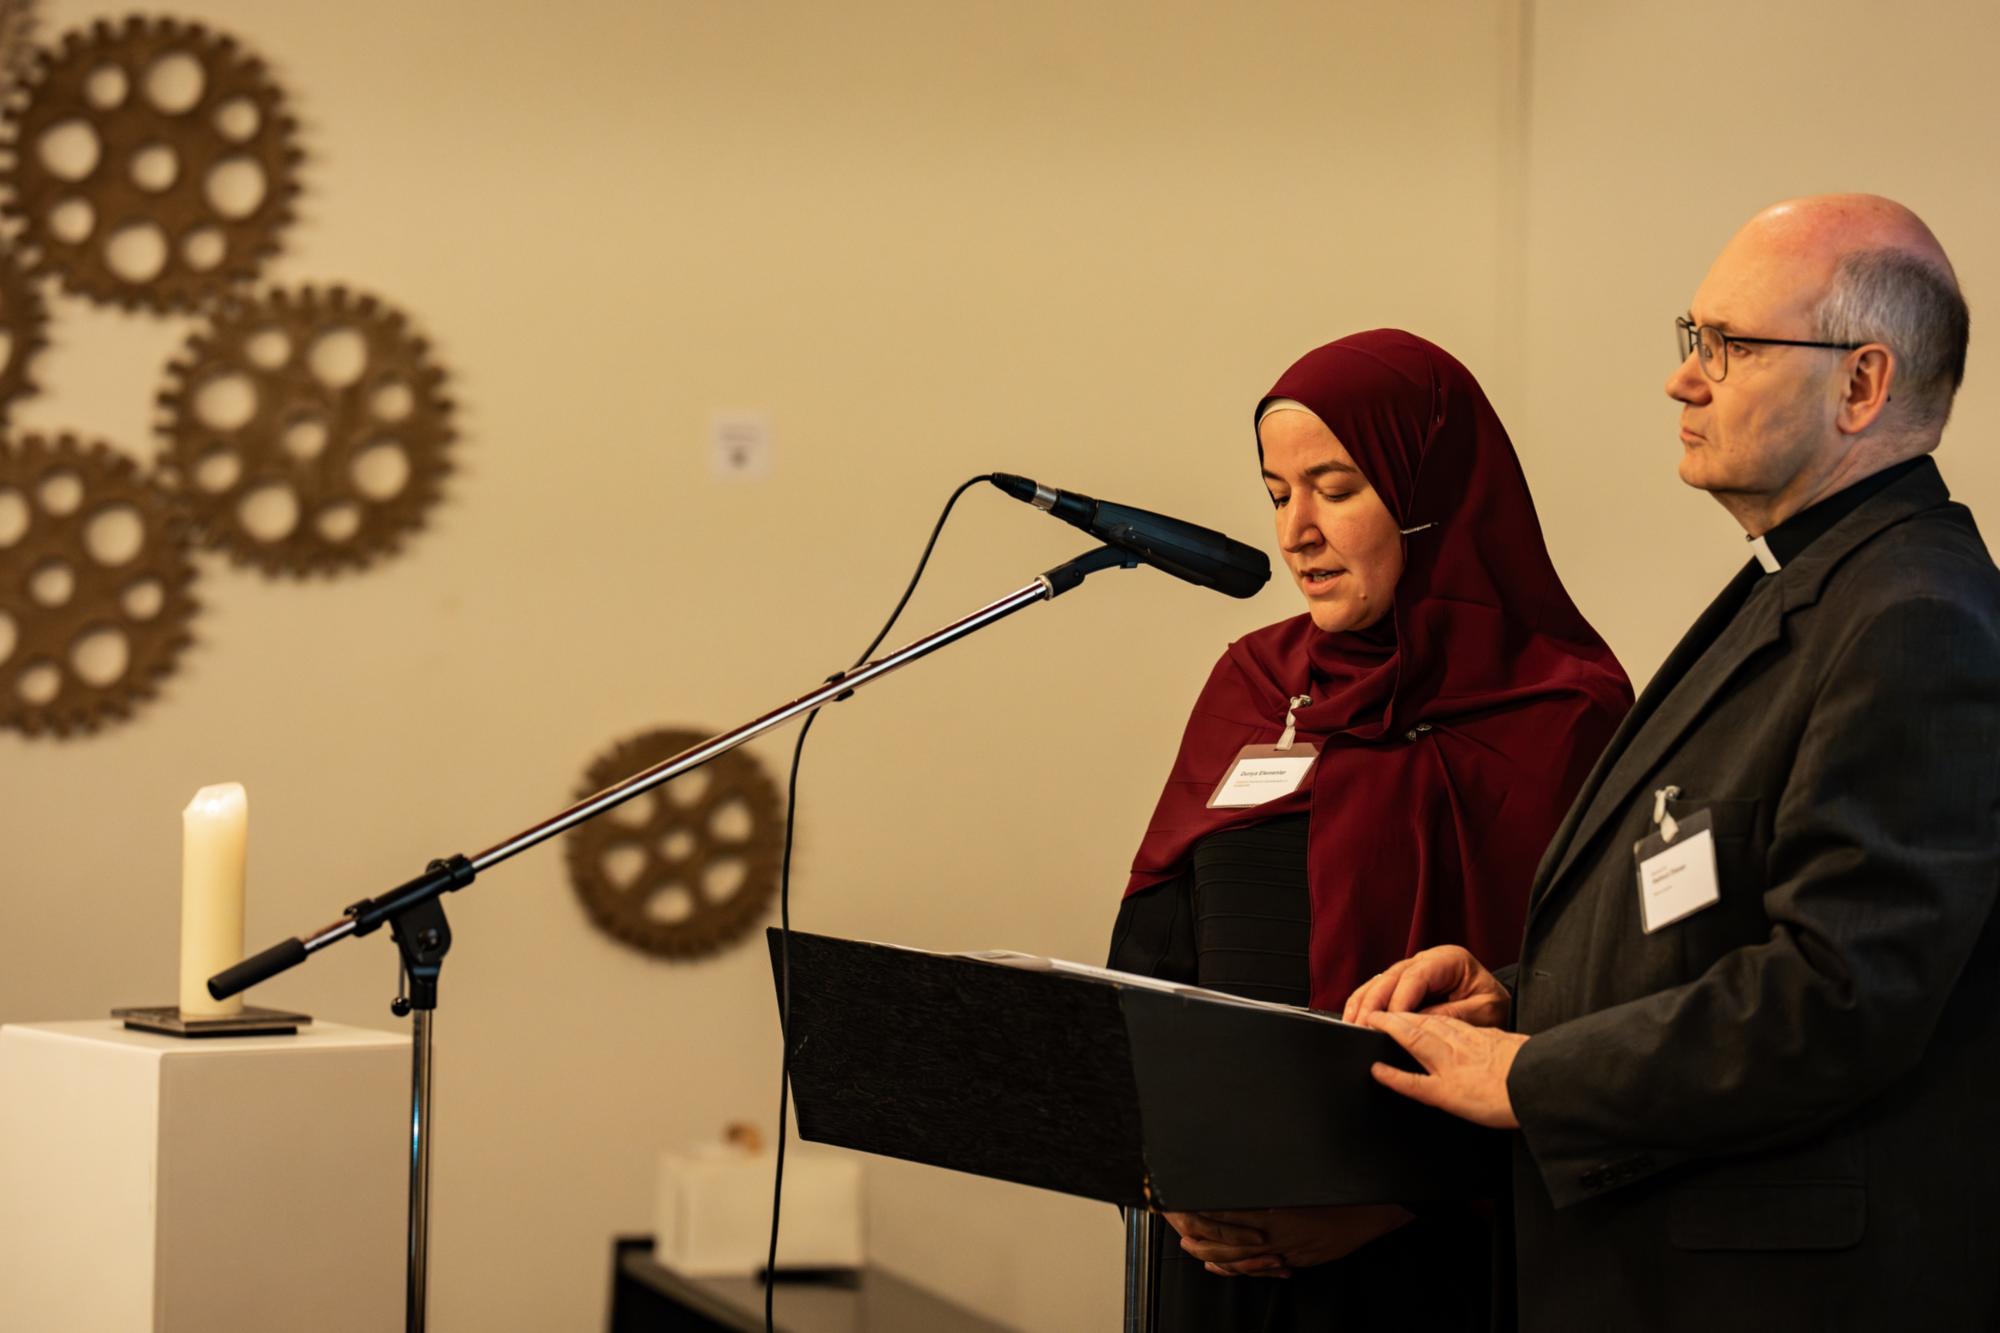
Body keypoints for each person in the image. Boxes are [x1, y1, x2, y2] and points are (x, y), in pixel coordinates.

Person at [1348, 195, 2000, 1331]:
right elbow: (1719, 903)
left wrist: (1527, 1075)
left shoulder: (1913, 617)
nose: (1681, 379)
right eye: (1688, 337)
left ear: (1860, 385)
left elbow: (1836, 995)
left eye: (1729, 346)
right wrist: (1524, 998)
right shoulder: (1809, 584)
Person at [1108, 328, 1632, 1331]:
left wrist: (1370, 1208)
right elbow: (1153, 951)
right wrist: (1166, 1173)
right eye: (1274, 492)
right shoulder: (1250, 686)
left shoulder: (1564, 713)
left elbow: (1586, 1016)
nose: (1294, 530)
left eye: (1334, 487)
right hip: (1217, 1254)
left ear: (1433, 493)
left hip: (1428, 1253)